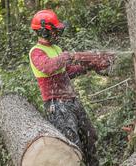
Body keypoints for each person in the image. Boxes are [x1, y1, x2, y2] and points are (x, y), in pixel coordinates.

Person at [29, 9, 111, 166]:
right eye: (54, 30)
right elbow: (48, 67)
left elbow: (67, 72)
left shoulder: (56, 49)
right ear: (44, 31)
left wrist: (89, 66)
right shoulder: (36, 52)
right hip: (57, 105)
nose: (56, 33)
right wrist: (69, 56)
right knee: (72, 146)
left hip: (72, 101)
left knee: (89, 137)